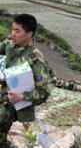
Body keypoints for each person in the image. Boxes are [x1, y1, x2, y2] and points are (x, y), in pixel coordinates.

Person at [0, 14, 52, 147]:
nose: (13, 34)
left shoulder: (36, 59)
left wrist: (22, 96)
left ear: (29, 34)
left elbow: (44, 92)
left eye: (17, 31)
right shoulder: (9, 44)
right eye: (12, 29)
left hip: (13, 109)